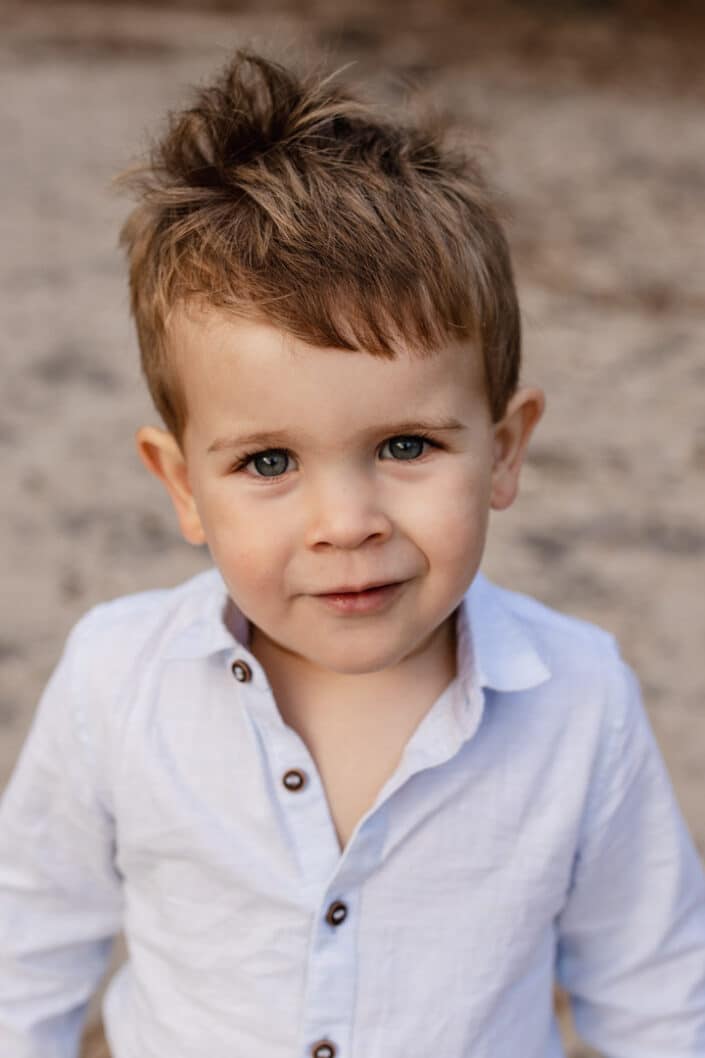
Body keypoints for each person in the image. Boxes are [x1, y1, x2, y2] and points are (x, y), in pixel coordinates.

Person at [0, 49, 704, 1058]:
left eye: (405, 445)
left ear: (503, 450)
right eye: (269, 459)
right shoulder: (118, 681)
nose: (348, 520)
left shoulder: (581, 702)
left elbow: (660, 996)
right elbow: (24, 950)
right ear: (181, 485)